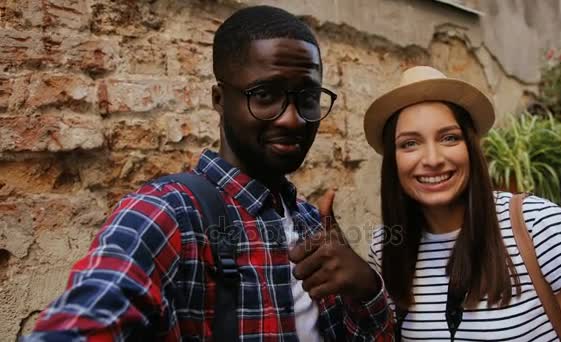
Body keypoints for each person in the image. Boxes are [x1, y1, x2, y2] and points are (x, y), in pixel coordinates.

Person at [25, 6, 392, 341]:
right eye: (265, 95)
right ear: (219, 99)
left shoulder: (312, 223)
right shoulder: (168, 213)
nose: (292, 118)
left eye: (308, 98)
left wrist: (367, 289)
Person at [363, 65, 561, 341]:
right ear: (393, 161)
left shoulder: (539, 225)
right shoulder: (385, 247)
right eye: (410, 143)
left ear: (471, 147)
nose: (432, 159)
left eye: (449, 138)